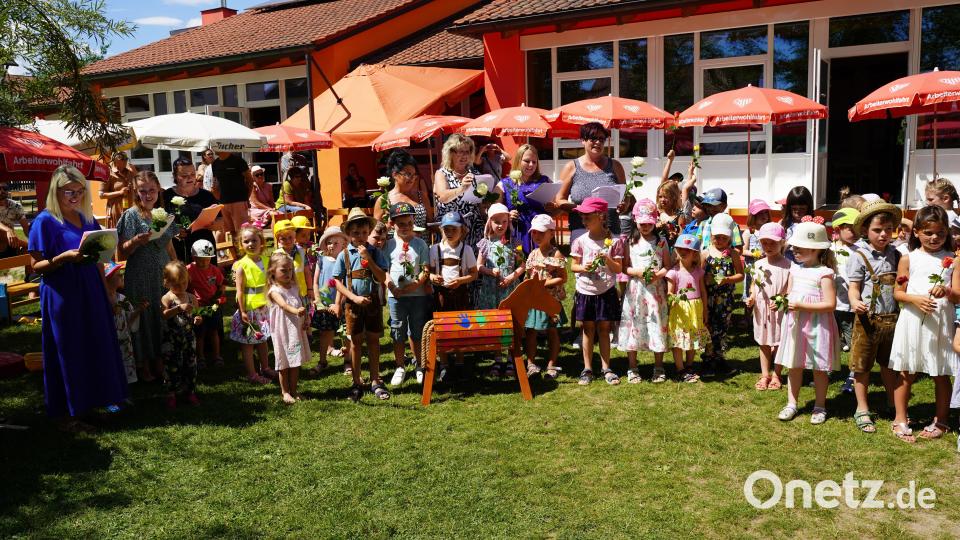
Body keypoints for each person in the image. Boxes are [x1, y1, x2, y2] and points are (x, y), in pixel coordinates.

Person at [27, 165, 128, 432]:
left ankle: (92, 404)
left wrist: (107, 289)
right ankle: (67, 414)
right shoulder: (45, 221)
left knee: (94, 345)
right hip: (62, 293)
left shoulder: (86, 218)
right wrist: (63, 258)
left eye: (79, 191)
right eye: (68, 191)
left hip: (91, 290)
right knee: (68, 349)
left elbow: (98, 256)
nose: (74, 196)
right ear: (55, 191)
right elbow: (35, 266)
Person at [889, 205, 957, 443]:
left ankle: (941, 419)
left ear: (946, 232)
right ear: (916, 232)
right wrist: (915, 299)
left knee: (940, 372)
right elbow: (898, 292)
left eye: (939, 232)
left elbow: (958, 294)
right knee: (907, 371)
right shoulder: (908, 259)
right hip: (913, 320)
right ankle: (900, 418)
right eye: (928, 233)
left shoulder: (953, 261)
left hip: (940, 322)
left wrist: (946, 290)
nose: (934, 237)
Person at [774, 218, 840, 425]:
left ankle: (820, 406)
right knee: (794, 365)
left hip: (818, 326)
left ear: (815, 249)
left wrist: (802, 306)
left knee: (819, 367)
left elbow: (830, 304)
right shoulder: (795, 269)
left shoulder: (824, 273)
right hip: (796, 324)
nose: (794, 251)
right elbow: (789, 292)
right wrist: (781, 302)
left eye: (800, 248)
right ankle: (792, 403)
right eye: (794, 247)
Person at [846, 201, 902, 434]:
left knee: (890, 366)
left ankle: (892, 403)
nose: (883, 234)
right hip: (867, 320)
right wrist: (854, 301)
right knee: (862, 366)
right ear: (866, 231)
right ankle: (862, 408)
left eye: (888, 229)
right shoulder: (859, 255)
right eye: (877, 230)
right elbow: (853, 286)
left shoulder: (896, 254)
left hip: (892, 320)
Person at [117, 170, 178, 383]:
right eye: (143, 191)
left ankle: (160, 361)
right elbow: (121, 252)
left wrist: (177, 267)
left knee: (160, 315)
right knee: (142, 317)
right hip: (139, 274)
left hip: (161, 274)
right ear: (136, 192)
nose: (148, 194)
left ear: (158, 189)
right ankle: (142, 365)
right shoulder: (130, 215)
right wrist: (135, 241)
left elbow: (169, 244)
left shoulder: (161, 214)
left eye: (151, 190)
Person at [334, 208, 390, 402]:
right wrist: (353, 297)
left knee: (374, 341)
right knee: (356, 343)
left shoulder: (375, 252)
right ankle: (357, 382)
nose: (360, 236)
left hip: (373, 302)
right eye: (355, 233)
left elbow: (382, 277)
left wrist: (369, 258)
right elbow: (337, 281)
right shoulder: (344, 255)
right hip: (353, 303)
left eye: (364, 233)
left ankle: (375, 380)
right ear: (349, 234)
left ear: (369, 232)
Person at [569, 197, 624, 385]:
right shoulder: (580, 241)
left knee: (604, 329)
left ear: (601, 216)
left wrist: (607, 259)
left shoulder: (614, 242)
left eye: (588, 218)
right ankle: (587, 368)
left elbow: (619, 269)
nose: (584, 222)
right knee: (587, 329)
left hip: (606, 291)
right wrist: (585, 267)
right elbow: (573, 267)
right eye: (582, 218)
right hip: (585, 291)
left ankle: (606, 368)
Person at [618, 199, 670, 384]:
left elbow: (667, 266)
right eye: (642, 223)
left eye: (649, 222)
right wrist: (636, 272)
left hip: (655, 292)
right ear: (635, 221)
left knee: (657, 324)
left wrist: (659, 275)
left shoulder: (661, 242)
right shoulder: (630, 242)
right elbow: (624, 267)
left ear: (655, 221)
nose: (646, 226)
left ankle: (659, 366)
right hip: (636, 291)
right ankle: (632, 367)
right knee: (634, 325)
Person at [555, 122, 628, 244]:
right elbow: (559, 199)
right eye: (593, 138)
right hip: (581, 230)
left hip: (610, 230)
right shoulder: (571, 167)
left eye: (601, 139)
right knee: (582, 264)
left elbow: (625, 196)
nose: (598, 142)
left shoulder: (615, 166)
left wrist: (624, 204)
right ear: (583, 140)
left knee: (611, 263)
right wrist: (581, 209)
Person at [383, 202, 431, 387]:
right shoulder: (389, 245)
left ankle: (419, 365)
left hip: (417, 295)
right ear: (392, 224)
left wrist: (416, 284)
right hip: (396, 296)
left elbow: (425, 269)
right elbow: (384, 269)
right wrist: (391, 287)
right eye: (401, 224)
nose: (405, 227)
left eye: (409, 223)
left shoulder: (420, 244)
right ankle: (400, 366)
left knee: (417, 330)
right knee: (397, 330)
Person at [476, 203, 525, 377]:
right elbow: (479, 266)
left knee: (510, 324)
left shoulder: (515, 243)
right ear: (489, 223)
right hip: (492, 290)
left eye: (503, 222)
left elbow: (522, 265)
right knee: (495, 324)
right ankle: (498, 359)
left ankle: (512, 358)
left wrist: (512, 276)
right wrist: (490, 271)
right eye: (496, 222)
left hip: (508, 290)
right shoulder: (485, 244)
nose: (500, 225)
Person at [429, 211, 478, 381]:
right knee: (442, 329)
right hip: (441, 295)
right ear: (441, 230)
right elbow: (428, 272)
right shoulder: (434, 249)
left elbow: (474, 274)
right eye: (446, 229)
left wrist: (460, 280)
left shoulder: (466, 250)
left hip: (460, 294)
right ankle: (443, 363)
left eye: (454, 229)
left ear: (462, 230)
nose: (450, 233)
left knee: (461, 328)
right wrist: (433, 277)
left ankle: (459, 361)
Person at [744, 222, 789, 391]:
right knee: (763, 342)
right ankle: (765, 374)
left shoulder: (788, 266)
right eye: (765, 243)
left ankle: (777, 374)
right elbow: (754, 286)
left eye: (773, 242)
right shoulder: (758, 264)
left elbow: (789, 290)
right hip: (761, 310)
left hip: (779, 311)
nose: (768, 246)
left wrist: (780, 300)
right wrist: (752, 297)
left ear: (782, 242)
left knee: (778, 342)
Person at [522, 215, 567, 379]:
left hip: (550, 300)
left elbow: (563, 278)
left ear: (551, 233)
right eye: (534, 233)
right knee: (531, 331)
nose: (537, 236)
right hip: (534, 300)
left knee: (552, 331)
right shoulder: (533, 254)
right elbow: (528, 275)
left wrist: (547, 283)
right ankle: (531, 363)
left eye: (541, 232)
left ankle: (552, 364)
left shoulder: (556, 254)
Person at [700, 213, 744, 377]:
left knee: (722, 329)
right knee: (709, 328)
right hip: (709, 299)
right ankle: (708, 360)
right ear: (711, 236)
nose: (719, 241)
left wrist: (727, 280)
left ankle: (719, 359)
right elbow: (699, 276)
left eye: (723, 238)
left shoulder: (732, 254)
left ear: (730, 238)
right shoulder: (705, 254)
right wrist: (707, 279)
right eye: (716, 237)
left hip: (725, 300)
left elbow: (741, 275)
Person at [229, 224, 273, 385]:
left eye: (254, 240)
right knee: (248, 343)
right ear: (241, 245)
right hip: (249, 308)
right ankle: (252, 373)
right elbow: (239, 291)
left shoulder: (267, 261)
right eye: (246, 241)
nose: (251, 244)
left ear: (261, 242)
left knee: (263, 340)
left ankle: (266, 367)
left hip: (264, 306)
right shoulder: (241, 265)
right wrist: (243, 311)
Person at [267, 251, 311, 404]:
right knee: (284, 363)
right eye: (283, 270)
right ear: (273, 271)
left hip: (295, 330)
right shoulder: (274, 291)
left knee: (295, 362)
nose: (288, 273)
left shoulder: (294, 287)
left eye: (290, 270)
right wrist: (296, 311)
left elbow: (299, 304)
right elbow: (284, 305)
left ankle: (294, 390)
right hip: (282, 332)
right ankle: (285, 392)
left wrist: (305, 319)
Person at [497, 144, 556, 254]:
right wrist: (507, 215)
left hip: (541, 234)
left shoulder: (545, 181)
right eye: (527, 161)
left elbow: (557, 210)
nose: (531, 165)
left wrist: (552, 207)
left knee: (543, 268)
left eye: (534, 162)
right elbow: (495, 212)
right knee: (519, 266)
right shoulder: (505, 184)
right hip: (518, 232)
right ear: (518, 160)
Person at [666, 234, 710, 383]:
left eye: (688, 249)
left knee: (692, 338)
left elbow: (703, 291)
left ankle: (689, 366)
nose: (683, 251)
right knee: (678, 339)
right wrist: (673, 299)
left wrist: (705, 310)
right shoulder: (674, 272)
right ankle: (680, 369)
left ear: (695, 253)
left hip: (695, 309)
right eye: (680, 248)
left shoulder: (698, 271)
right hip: (680, 310)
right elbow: (669, 293)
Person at [159, 261, 201, 409]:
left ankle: (190, 391)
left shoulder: (191, 297)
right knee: (172, 367)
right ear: (167, 282)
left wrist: (197, 318)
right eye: (176, 285)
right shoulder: (167, 298)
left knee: (190, 365)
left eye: (184, 283)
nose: (181, 287)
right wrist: (177, 309)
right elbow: (164, 315)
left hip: (189, 339)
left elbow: (197, 313)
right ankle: (171, 393)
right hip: (171, 340)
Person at [434, 133, 486, 250]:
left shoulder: (475, 174)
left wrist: (486, 200)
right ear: (451, 153)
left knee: (471, 265)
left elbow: (479, 204)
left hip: (473, 230)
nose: (464, 156)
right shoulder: (442, 173)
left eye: (467, 152)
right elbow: (443, 197)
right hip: (450, 230)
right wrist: (462, 188)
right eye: (460, 151)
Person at [164, 156, 219, 265]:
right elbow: (157, 224)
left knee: (206, 281)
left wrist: (214, 225)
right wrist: (173, 231)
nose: (190, 178)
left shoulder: (206, 195)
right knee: (181, 281)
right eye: (184, 176)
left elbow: (221, 223)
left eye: (192, 174)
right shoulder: (166, 196)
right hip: (178, 250)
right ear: (175, 176)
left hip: (204, 250)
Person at [311, 226, 348, 375]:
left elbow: (346, 283)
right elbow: (315, 282)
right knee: (325, 333)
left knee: (345, 333)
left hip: (342, 303)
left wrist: (341, 302)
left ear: (344, 244)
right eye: (329, 242)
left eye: (336, 243)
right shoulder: (321, 260)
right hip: (325, 304)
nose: (332, 246)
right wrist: (318, 299)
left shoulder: (346, 261)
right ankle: (322, 361)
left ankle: (348, 361)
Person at [104, 261, 145, 385]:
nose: (122, 276)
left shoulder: (122, 299)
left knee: (125, 363)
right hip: (110, 340)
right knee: (111, 363)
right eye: (118, 275)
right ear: (107, 279)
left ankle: (124, 389)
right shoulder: (102, 300)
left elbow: (129, 320)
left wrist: (138, 310)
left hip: (124, 340)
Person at [187, 239, 225, 368]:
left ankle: (217, 356)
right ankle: (200, 357)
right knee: (200, 334)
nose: (204, 262)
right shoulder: (189, 270)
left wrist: (218, 297)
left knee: (214, 331)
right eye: (201, 259)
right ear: (194, 257)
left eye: (207, 259)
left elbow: (221, 286)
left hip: (213, 306)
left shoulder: (214, 270)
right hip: (198, 307)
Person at [374, 150, 433, 232]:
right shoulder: (384, 200)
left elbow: (430, 223)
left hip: (421, 243)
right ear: (395, 175)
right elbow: (376, 230)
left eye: (414, 175)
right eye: (408, 174)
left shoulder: (422, 197)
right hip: (394, 244)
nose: (412, 179)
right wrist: (388, 226)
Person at [831, 207, 859, 360]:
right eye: (850, 228)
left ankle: (854, 373)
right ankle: (827, 369)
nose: (855, 232)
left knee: (853, 338)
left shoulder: (860, 250)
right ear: (838, 228)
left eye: (857, 228)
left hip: (849, 305)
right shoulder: (829, 249)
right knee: (829, 339)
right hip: (830, 303)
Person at [211, 151, 254, 244]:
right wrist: (217, 196)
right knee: (229, 232)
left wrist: (245, 198)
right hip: (223, 203)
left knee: (243, 232)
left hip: (239, 201)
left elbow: (250, 180)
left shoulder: (238, 161)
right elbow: (216, 183)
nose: (213, 149)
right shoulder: (215, 163)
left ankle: (244, 255)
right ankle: (235, 255)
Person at [273, 219, 312, 304]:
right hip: (285, 294)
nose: (288, 241)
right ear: (278, 240)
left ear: (294, 237)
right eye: (283, 239)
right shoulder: (276, 255)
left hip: (302, 293)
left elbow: (307, 272)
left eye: (290, 237)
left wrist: (310, 289)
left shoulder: (301, 252)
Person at [742, 199, 772, 304]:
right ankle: (748, 316)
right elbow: (742, 251)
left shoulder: (770, 230)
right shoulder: (749, 232)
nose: (763, 215)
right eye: (759, 213)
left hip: (766, 265)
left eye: (765, 212)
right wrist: (755, 253)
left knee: (764, 287)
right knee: (751, 289)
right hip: (752, 267)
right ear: (753, 216)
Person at [101, 151, 137, 227]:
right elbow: (101, 195)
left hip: (130, 210)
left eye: (126, 159)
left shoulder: (130, 172)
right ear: (115, 161)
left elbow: (139, 185)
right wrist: (120, 192)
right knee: (118, 236)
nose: (125, 162)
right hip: (116, 212)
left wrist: (135, 173)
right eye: (122, 160)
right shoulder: (108, 173)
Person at [780, 186, 815, 260]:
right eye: (794, 209)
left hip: (806, 261)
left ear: (808, 208)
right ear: (789, 208)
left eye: (802, 209)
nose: (798, 212)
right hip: (787, 260)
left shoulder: (813, 224)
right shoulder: (784, 223)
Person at [0, 178, 30, 257]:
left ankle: (31, 246)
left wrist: (34, 240)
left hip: (10, 243)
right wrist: (8, 230)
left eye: (5, 188)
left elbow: (25, 227)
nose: (2, 191)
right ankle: (29, 245)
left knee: (30, 253)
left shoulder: (15, 205)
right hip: (6, 238)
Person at [655, 179, 685, 247]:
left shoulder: (680, 215)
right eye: (660, 197)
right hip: (656, 248)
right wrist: (656, 226)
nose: (662, 200)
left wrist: (674, 234)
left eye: (665, 197)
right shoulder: (656, 212)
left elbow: (682, 234)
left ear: (673, 197)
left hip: (671, 249)